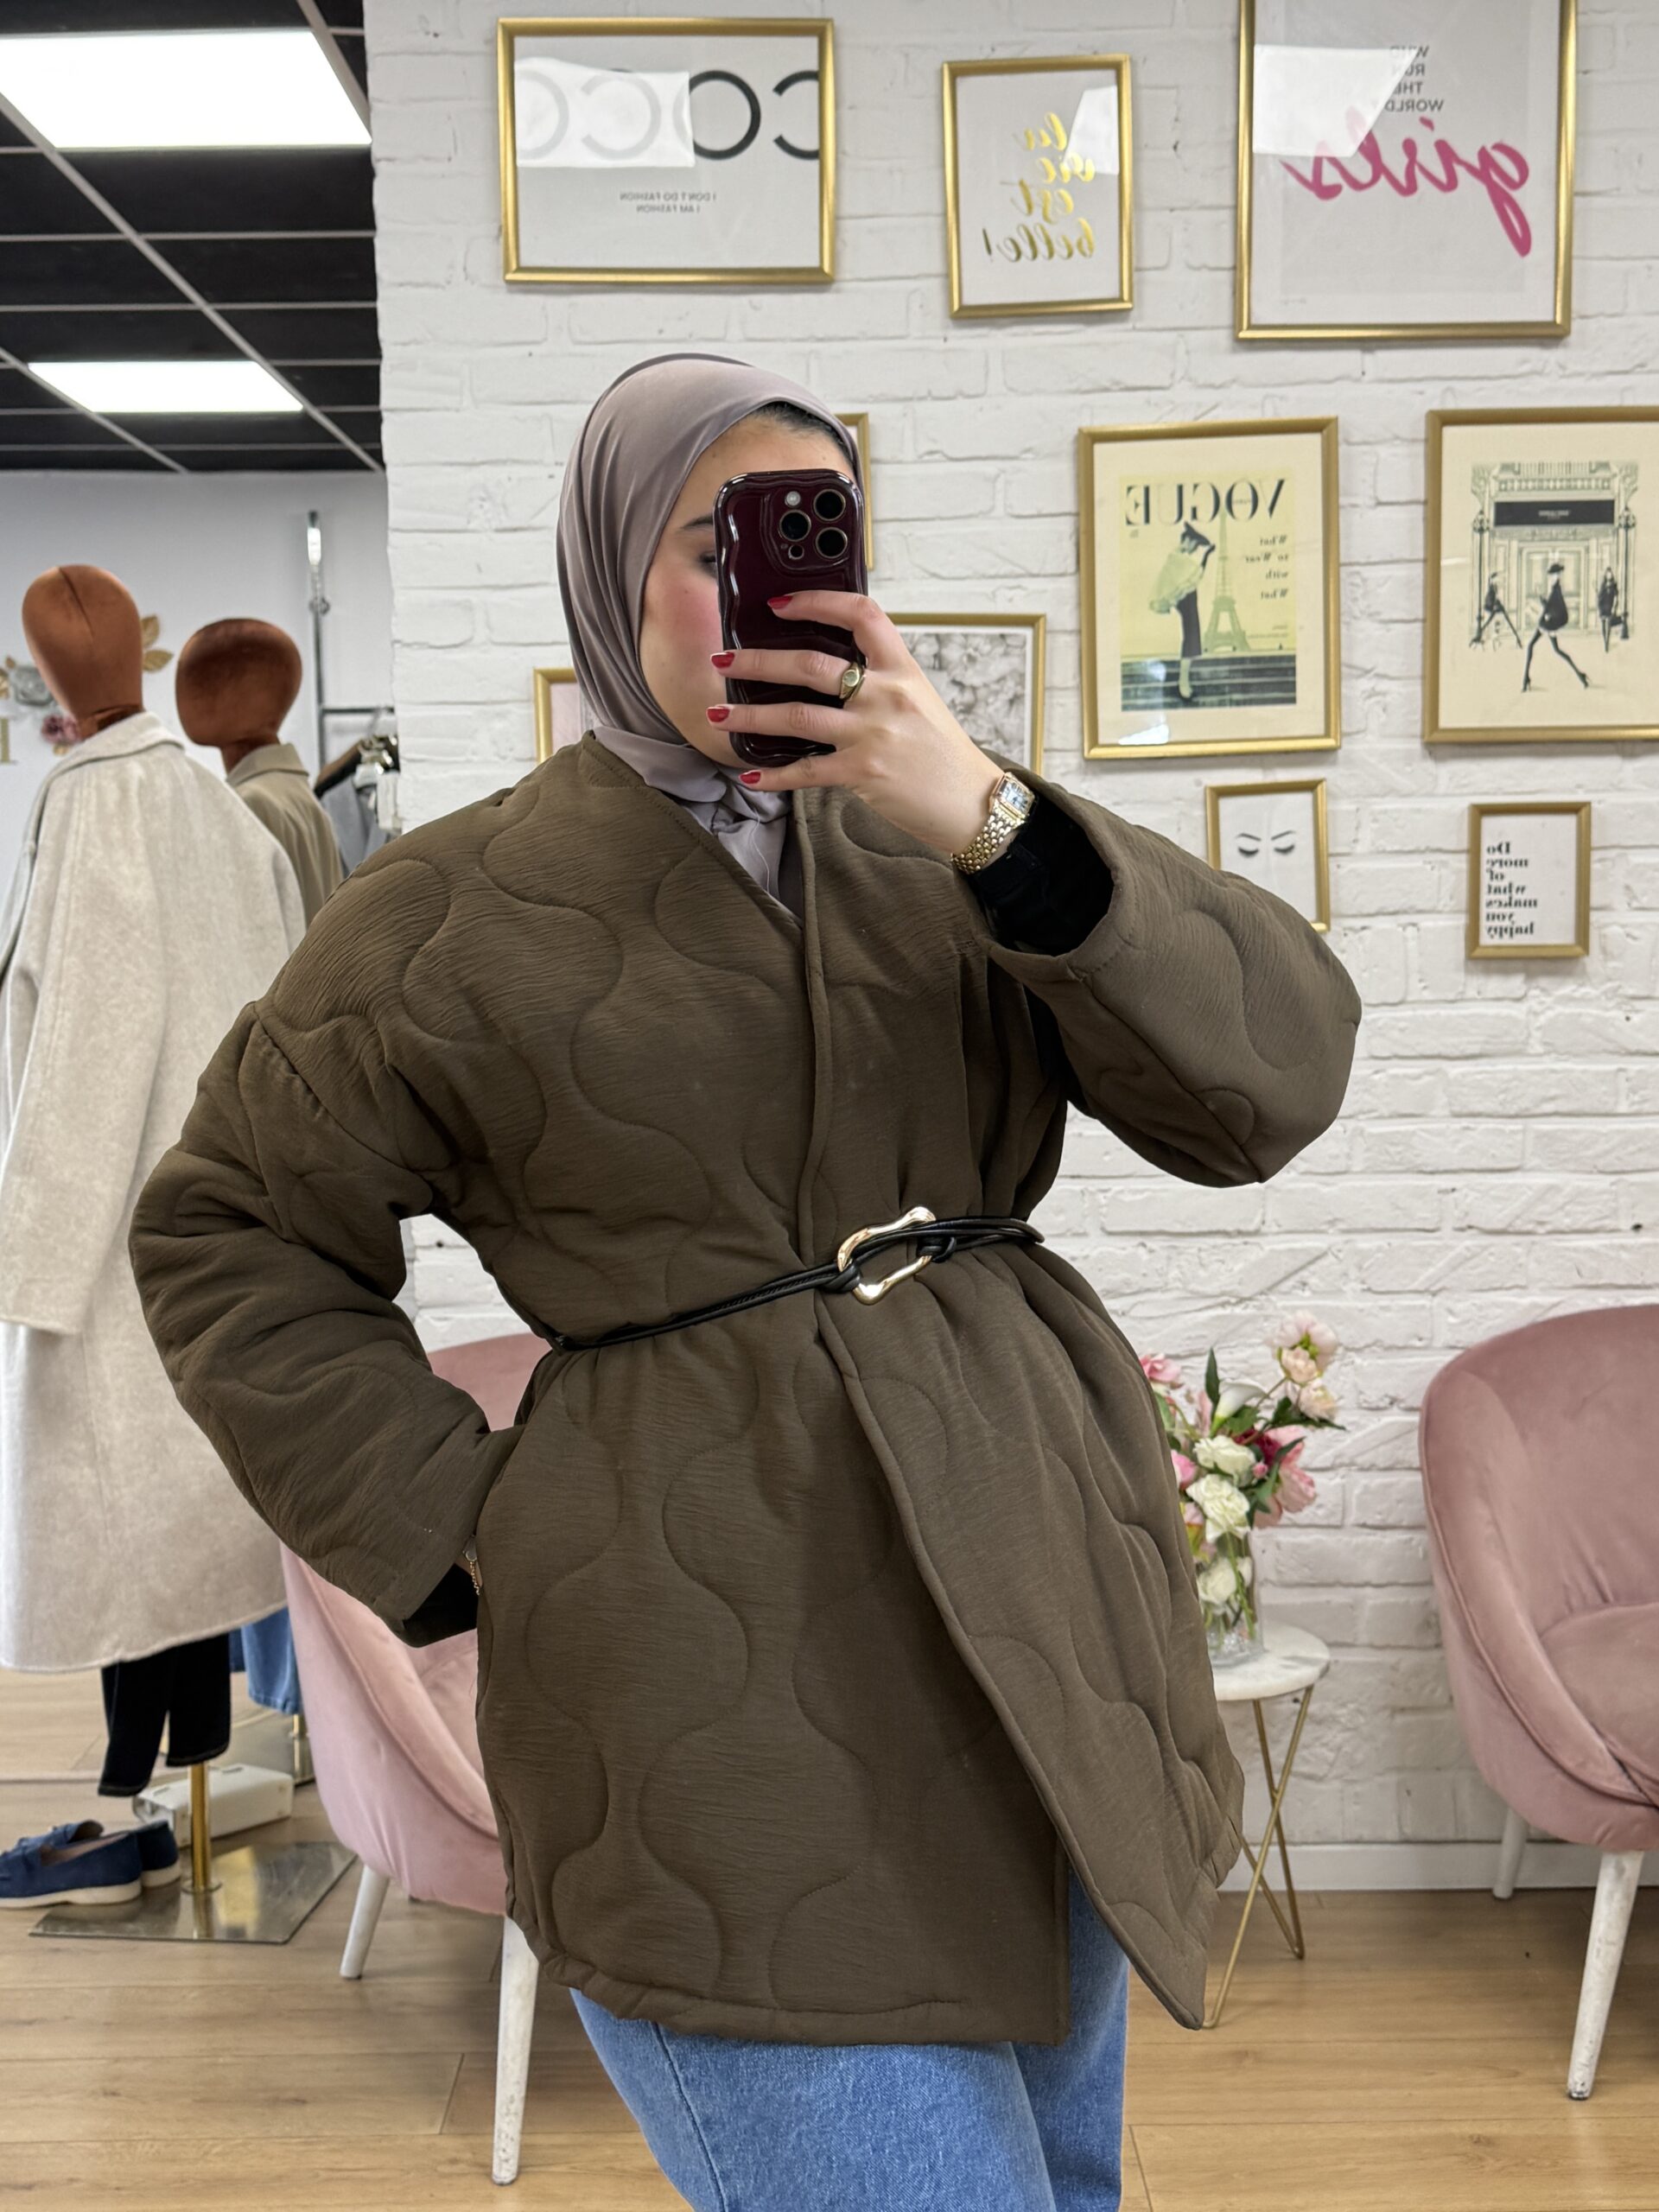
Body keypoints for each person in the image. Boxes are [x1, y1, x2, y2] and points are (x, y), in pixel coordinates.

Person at [129, 353, 1362, 2211]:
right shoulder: (447, 914)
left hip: (1047, 1631)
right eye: (721, 545)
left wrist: (995, 818)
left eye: (816, 538)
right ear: (608, 570)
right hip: (709, 1674)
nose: (774, 588)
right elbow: (226, 1229)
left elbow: (1274, 1081)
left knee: (1064, 2185)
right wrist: (473, 1534)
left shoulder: (950, 845)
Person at [1522, 562, 1589, 692]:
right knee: (1555, 650)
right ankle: (1580, 675)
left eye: (1555, 574)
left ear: (1558, 575)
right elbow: (1551, 606)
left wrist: (1541, 600)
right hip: (1550, 622)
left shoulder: (1556, 589)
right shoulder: (1555, 588)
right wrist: (1543, 601)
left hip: (1550, 623)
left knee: (1533, 646)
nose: (1552, 577)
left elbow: (1551, 607)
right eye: (1552, 575)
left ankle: (1526, 679)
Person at [1597, 567, 1620, 652]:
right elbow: (1600, 595)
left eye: (1610, 573)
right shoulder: (1603, 584)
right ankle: (1605, 642)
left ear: (1612, 574)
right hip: (1603, 606)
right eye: (1607, 573)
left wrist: (1615, 607)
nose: (1609, 575)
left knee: (1609, 625)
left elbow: (1616, 596)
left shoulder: (1614, 584)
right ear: (1606, 575)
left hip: (1610, 606)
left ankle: (1607, 641)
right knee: (1603, 625)